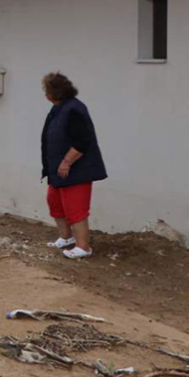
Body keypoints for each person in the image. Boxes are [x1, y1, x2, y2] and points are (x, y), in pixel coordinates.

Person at [40, 72, 107, 258]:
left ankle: (83, 247)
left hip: (76, 170)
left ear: (54, 93)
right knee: (55, 203)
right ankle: (66, 238)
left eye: (47, 90)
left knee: (76, 209)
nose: (45, 94)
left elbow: (82, 141)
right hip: (57, 171)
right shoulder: (57, 109)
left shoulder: (74, 109)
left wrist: (66, 162)